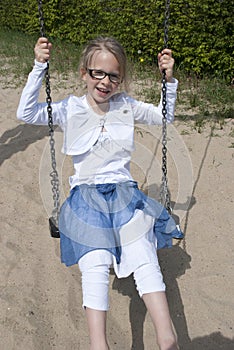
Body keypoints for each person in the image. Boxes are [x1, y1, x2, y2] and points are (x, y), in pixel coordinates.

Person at [17, 36, 183, 350]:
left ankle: (167, 337)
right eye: (97, 73)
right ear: (84, 73)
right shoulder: (70, 108)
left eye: (113, 76)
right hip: (85, 198)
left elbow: (165, 117)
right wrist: (39, 66)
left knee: (143, 252)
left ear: (121, 79)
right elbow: (26, 114)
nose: (105, 82)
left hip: (124, 194)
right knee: (94, 258)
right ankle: (99, 344)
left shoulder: (127, 106)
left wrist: (169, 79)